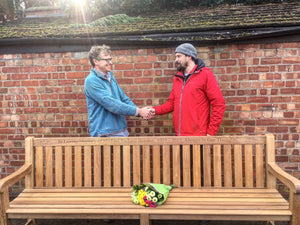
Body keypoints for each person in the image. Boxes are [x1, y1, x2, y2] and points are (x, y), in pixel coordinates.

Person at [150, 43, 225, 136]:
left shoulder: (205, 75)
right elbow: (171, 104)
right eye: (176, 57)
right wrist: (154, 110)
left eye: (179, 56)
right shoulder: (178, 78)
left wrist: (211, 132)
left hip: (199, 136)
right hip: (180, 135)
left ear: (189, 56)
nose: (176, 60)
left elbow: (219, 104)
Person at [84, 45, 152, 137]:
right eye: (106, 60)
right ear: (95, 61)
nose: (110, 62)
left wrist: (140, 112)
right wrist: (138, 111)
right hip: (104, 134)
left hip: (121, 131)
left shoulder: (110, 77)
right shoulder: (92, 81)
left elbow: (123, 98)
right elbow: (111, 104)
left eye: (110, 59)